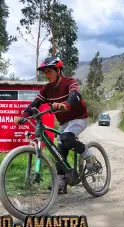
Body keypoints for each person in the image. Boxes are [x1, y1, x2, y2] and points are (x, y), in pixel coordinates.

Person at [14, 56, 102, 193]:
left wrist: (66, 104)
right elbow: (35, 104)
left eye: (49, 71)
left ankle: (89, 156)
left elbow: (75, 95)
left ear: (58, 70)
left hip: (79, 118)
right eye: (45, 72)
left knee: (66, 138)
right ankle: (62, 180)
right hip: (64, 122)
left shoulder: (69, 82)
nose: (46, 75)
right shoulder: (47, 89)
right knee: (59, 150)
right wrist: (24, 116)